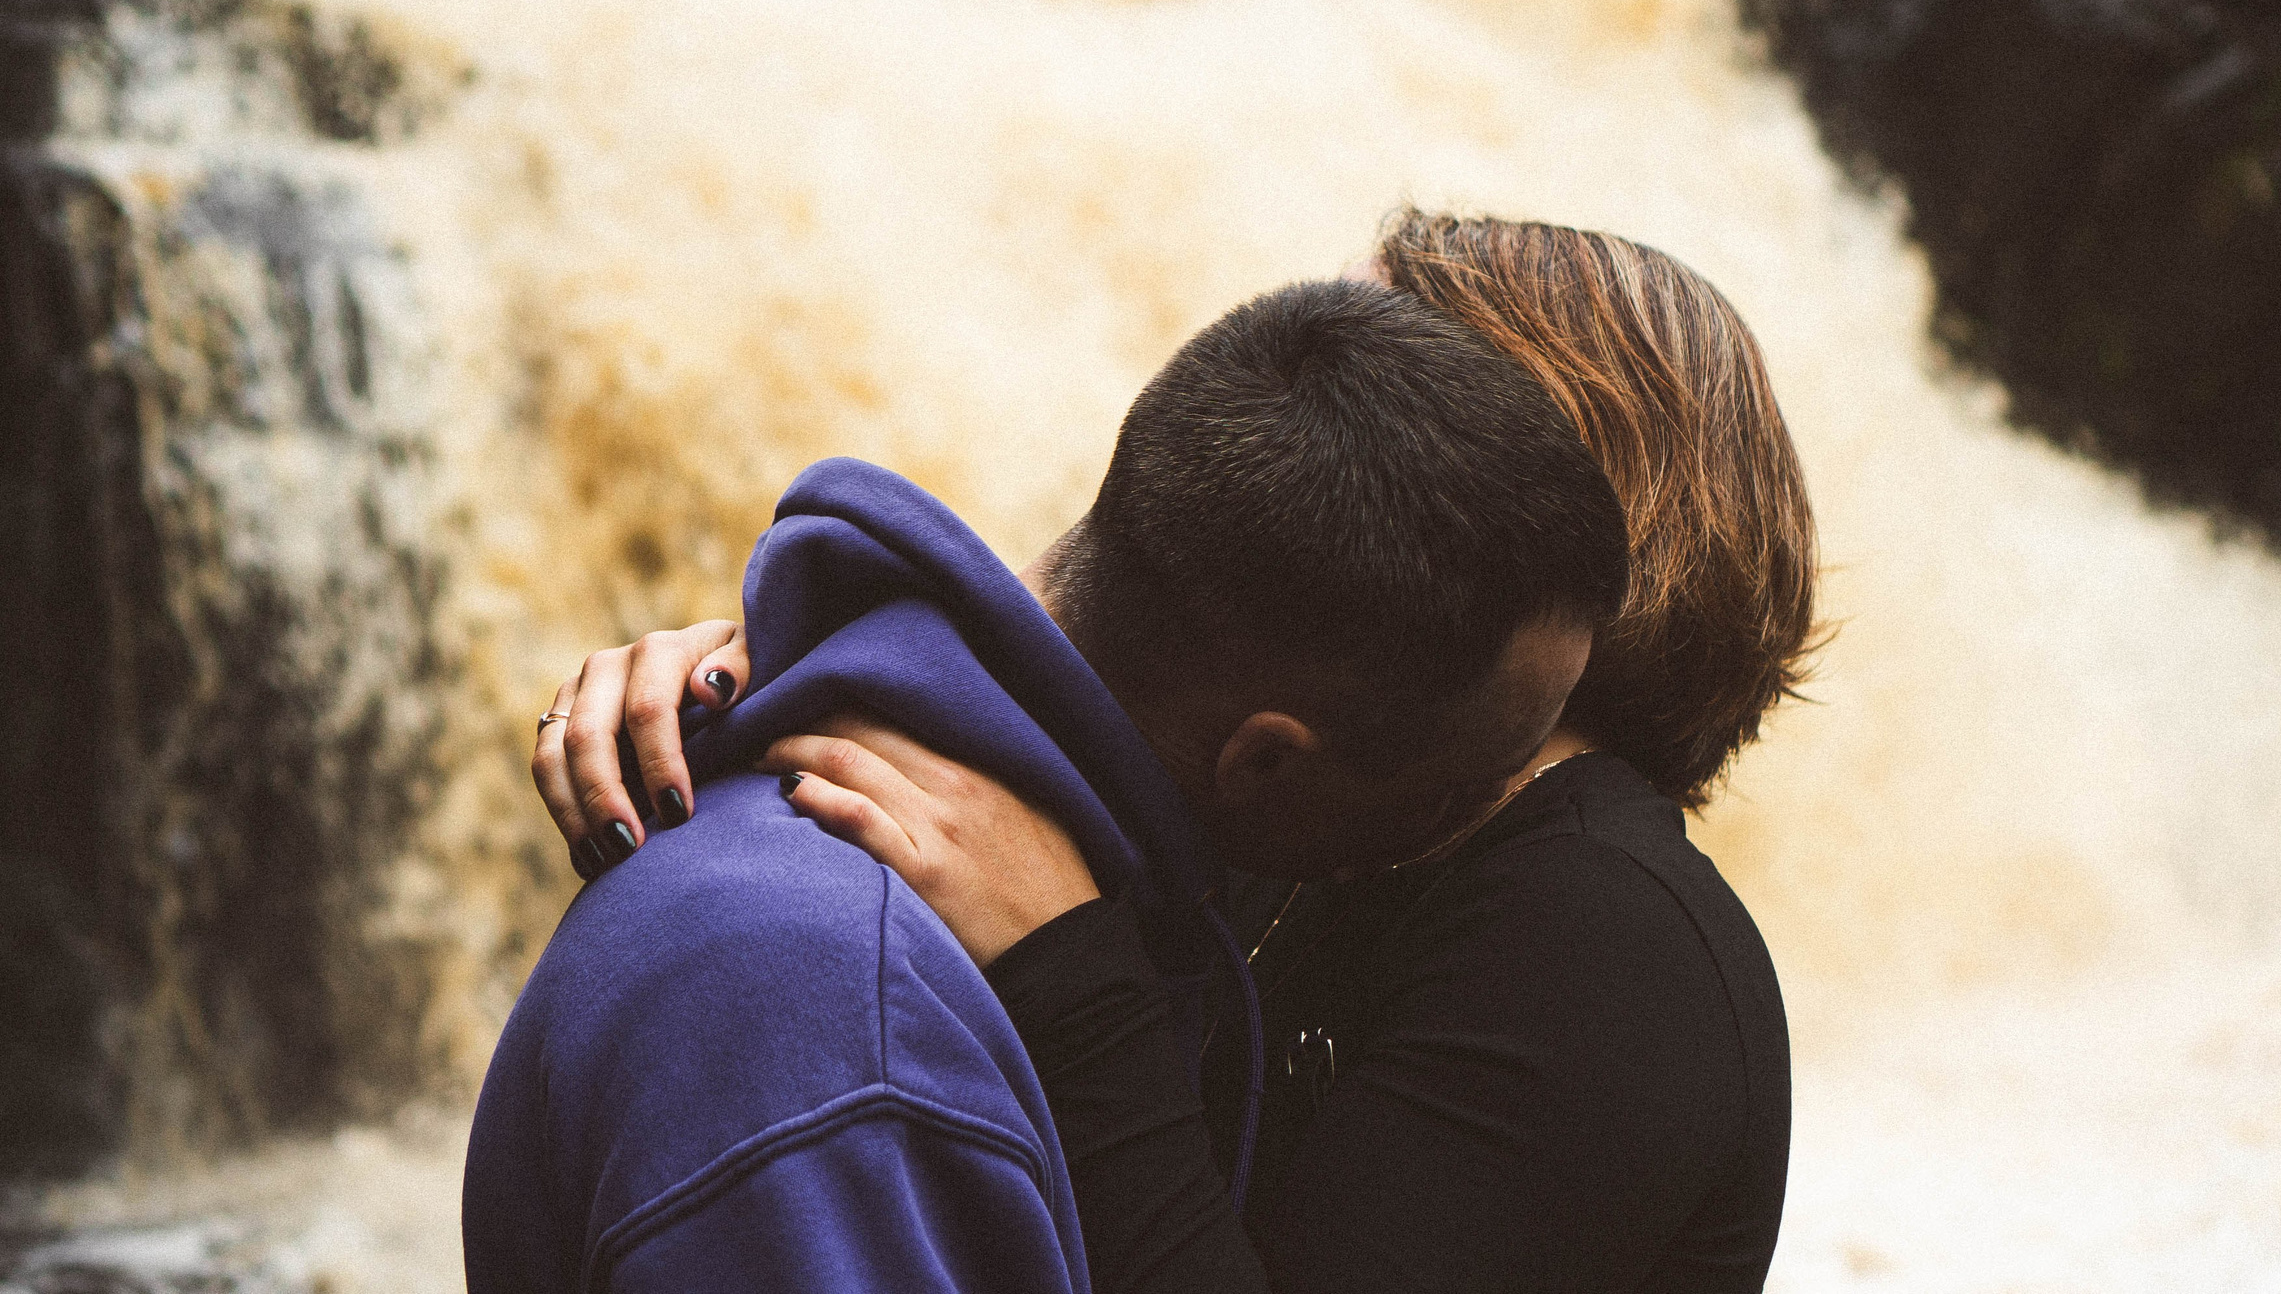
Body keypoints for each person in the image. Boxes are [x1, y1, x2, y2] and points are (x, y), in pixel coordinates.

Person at [548, 212, 1819, 1293]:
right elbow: (1115, 664)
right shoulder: (1312, 819)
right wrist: (774, 675)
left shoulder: (1606, 945)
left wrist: (1069, 975)